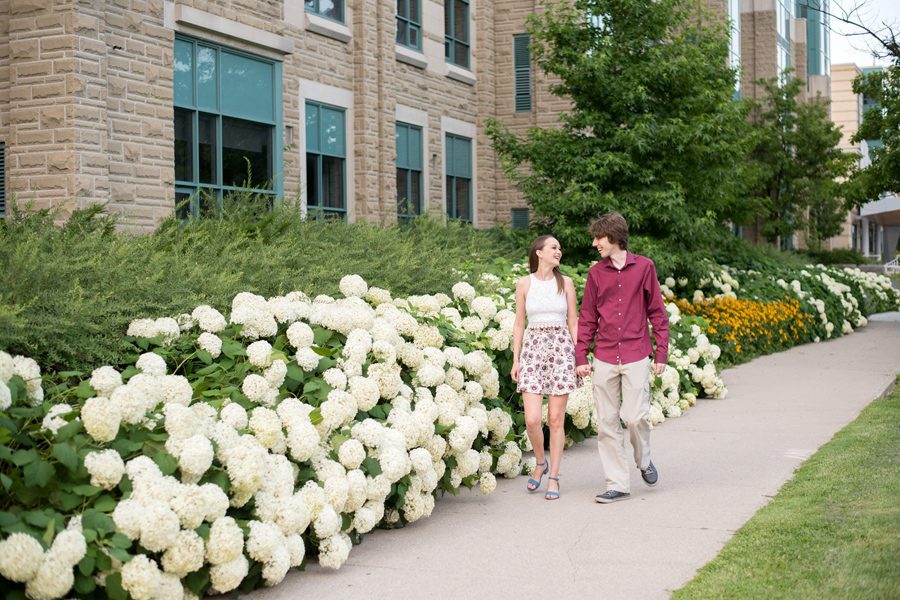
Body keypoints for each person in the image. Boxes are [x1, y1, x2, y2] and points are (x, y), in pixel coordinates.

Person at [575, 212, 669, 503]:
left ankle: (644, 460)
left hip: (635, 353)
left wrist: (661, 351)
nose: (595, 244)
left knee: (634, 417)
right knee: (606, 423)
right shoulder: (596, 274)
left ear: (614, 237)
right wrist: (581, 355)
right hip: (604, 356)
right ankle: (617, 483)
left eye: (598, 238)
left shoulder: (644, 267)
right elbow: (588, 316)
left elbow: (657, 312)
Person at [511, 235, 580, 500]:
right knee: (532, 419)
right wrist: (516, 359)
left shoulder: (567, 283)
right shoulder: (524, 283)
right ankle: (541, 461)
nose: (558, 251)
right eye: (554, 247)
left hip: (561, 350)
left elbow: (573, 322)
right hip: (532, 351)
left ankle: (554, 477)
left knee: (555, 419)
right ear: (538, 252)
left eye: (560, 248)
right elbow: (519, 323)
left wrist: (580, 356)